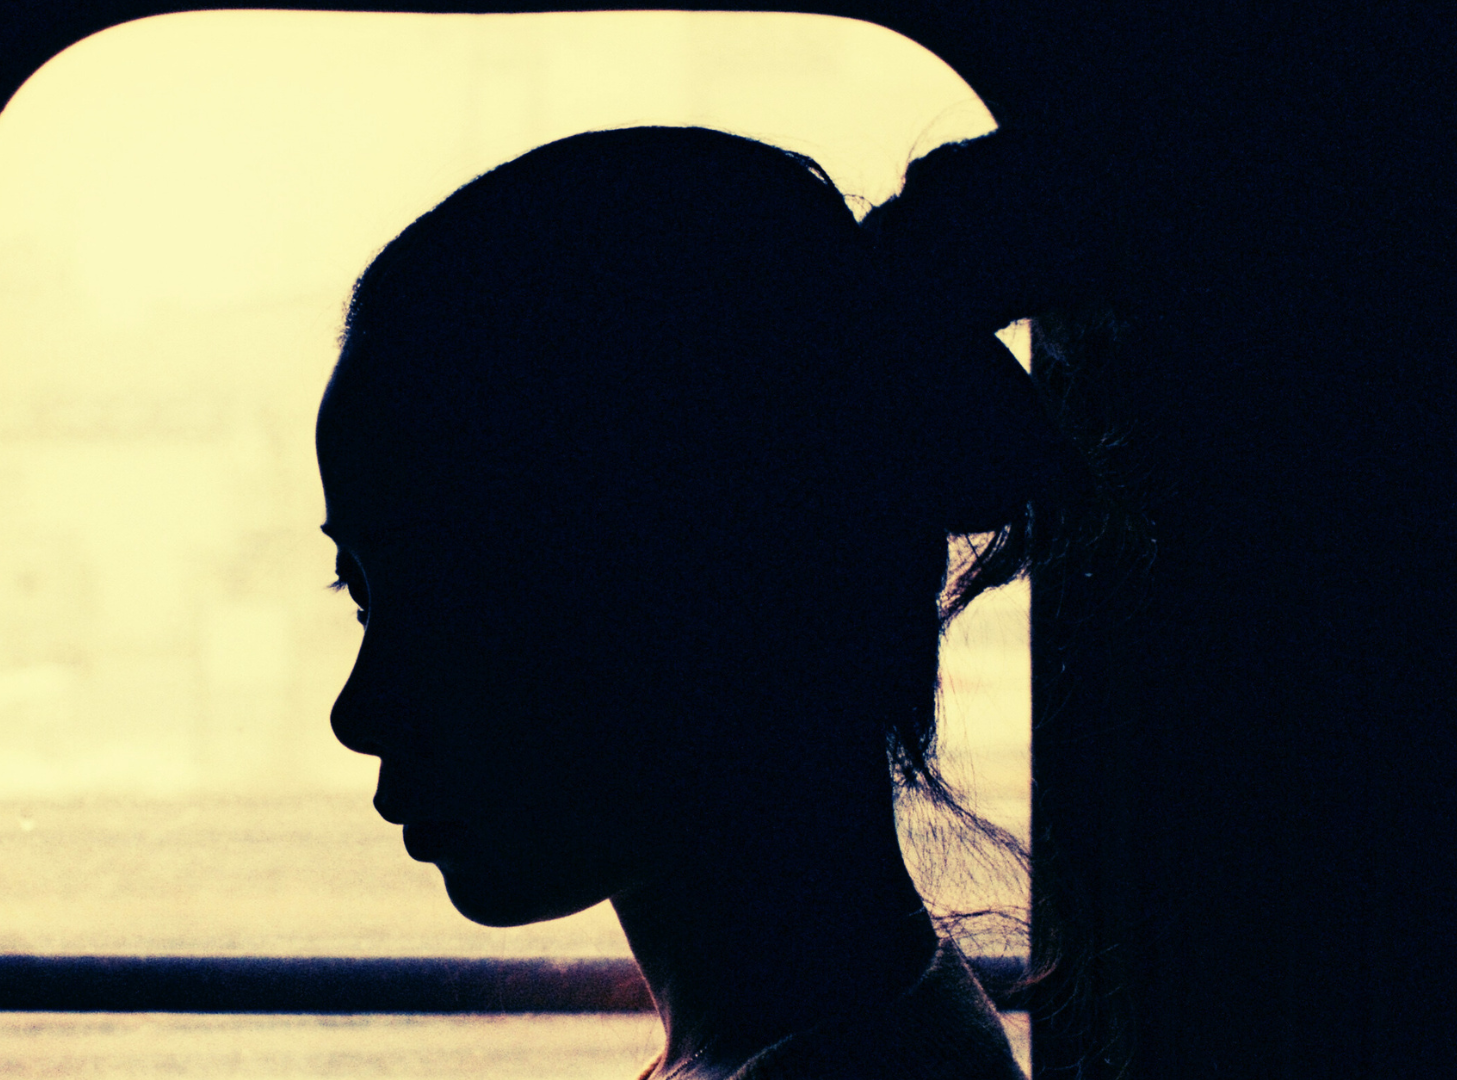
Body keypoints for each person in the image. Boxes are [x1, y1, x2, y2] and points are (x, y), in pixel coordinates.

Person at [315, 126, 1070, 1080]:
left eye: (461, 608)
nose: (359, 712)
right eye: (366, 599)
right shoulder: (857, 1039)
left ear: (720, 587)